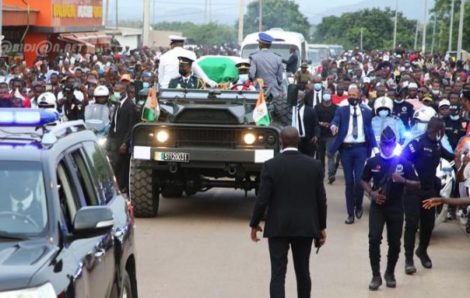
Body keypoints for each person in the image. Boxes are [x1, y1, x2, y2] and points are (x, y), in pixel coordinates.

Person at [250, 126, 327, 298]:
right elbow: (321, 200)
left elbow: (262, 199)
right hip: (305, 227)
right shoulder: (314, 165)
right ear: (298, 141)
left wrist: (255, 224)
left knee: (278, 274)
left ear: (281, 142)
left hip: (278, 226)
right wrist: (321, 227)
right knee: (303, 272)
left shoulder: (271, 165)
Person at [361, 127, 420, 291]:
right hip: (378, 206)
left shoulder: (403, 162)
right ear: (380, 145)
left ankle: (390, 272)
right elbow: (363, 180)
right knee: (374, 239)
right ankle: (375, 275)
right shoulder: (373, 162)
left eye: (390, 144)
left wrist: (403, 181)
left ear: (395, 145)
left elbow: (417, 184)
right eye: (384, 145)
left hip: (395, 206)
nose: (387, 147)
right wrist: (372, 193)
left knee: (394, 243)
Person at [401, 117, 455, 274]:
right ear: (433, 129)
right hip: (413, 190)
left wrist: (459, 157)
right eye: (441, 130)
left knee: (428, 224)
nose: (442, 133)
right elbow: (402, 159)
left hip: (429, 190)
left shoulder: (437, 144)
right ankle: (409, 259)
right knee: (411, 224)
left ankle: (422, 251)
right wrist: (410, 178)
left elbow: (448, 156)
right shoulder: (417, 143)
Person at [328, 84, 377, 224]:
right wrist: (333, 126)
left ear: (360, 97)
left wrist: (375, 148)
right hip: (346, 150)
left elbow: (370, 131)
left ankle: (359, 204)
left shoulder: (367, 112)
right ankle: (350, 213)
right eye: (349, 95)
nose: (351, 98)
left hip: (361, 149)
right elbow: (335, 121)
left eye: (354, 96)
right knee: (349, 182)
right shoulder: (341, 110)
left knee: (359, 180)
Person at [108, 82, 138, 194]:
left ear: (123, 90)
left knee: (123, 166)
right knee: (114, 165)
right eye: (114, 89)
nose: (115, 92)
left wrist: (125, 142)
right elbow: (113, 124)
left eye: (118, 90)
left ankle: (124, 188)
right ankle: (118, 187)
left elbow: (131, 126)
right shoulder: (117, 104)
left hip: (123, 141)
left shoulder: (130, 106)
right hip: (115, 140)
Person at [249, 32, 283, 99]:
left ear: (260, 44)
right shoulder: (278, 58)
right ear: (270, 45)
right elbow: (280, 79)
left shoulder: (254, 57)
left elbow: (251, 76)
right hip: (274, 93)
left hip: (258, 92)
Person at [314, 91, 338, 184]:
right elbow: (315, 120)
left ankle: (331, 174)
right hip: (320, 135)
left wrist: (331, 124)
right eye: (325, 93)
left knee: (330, 154)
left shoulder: (336, 108)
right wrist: (321, 123)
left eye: (328, 93)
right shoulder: (317, 107)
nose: (326, 95)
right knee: (320, 157)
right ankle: (321, 174)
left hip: (331, 135)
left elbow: (338, 120)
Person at [291, 91, 320, 157]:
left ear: (302, 97)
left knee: (309, 158)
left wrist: (316, 135)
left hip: (308, 139)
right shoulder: (291, 110)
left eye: (298, 96)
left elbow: (316, 124)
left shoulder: (310, 110)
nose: (297, 97)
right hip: (295, 140)